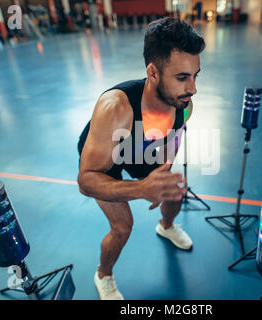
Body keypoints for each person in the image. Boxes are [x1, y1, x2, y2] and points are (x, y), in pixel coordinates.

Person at [77, 17, 205, 300]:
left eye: (195, 76)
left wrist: (163, 175)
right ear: (153, 72)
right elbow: (86, 181)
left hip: (143, 146)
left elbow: (174, 138)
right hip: (105, 159)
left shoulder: (183, 104)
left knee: (175, 194)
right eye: (182, 77)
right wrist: (140, 189)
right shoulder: (115, 108)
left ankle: (166, 227)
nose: (193, 88)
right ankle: (103, 275)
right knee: (122, 227)